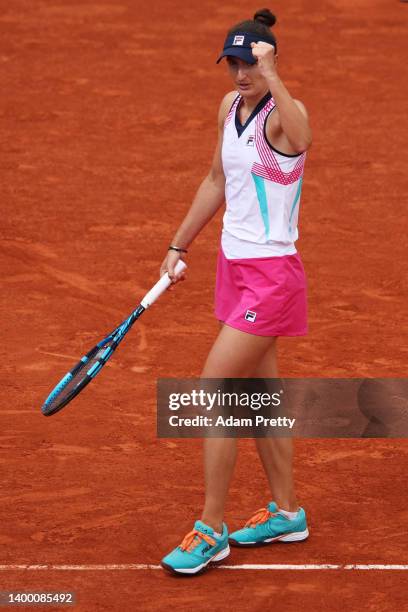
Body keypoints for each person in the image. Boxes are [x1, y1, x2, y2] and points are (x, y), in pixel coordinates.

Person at [159, 8, 312, 576]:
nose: (240, 74)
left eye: (250, 63)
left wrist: (275, 77)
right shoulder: (228, 108)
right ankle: (288, 513)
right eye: (234, 64)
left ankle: (211, 526)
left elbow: (304, 137)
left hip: (272, 277)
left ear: (267, 62)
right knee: (259, 395)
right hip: (235, 267)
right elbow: (217, 180)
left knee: (216, 390)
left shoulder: (283, 116)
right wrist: (180, 245)